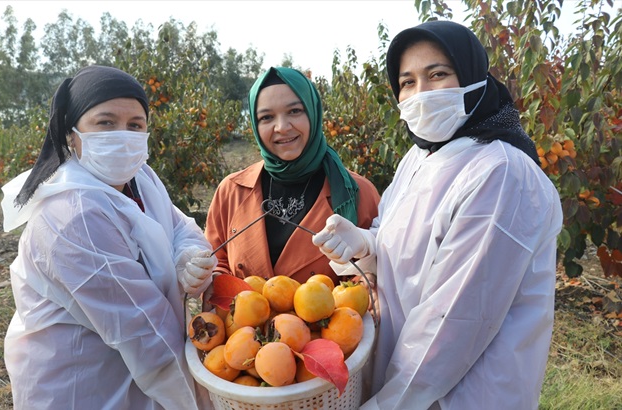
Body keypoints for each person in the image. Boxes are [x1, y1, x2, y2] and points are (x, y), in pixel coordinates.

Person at [312, 21, 563, 409]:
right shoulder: (421, 158)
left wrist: (386, 404)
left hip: (465, 391)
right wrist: (367, 245)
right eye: (407, 82)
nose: (421, 93)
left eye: (438, 74)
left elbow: (453, 322)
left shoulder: (500, 173)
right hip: (409, 382)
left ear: (473, 77)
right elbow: (413, 250)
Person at [0, 65, 216, 409]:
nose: (122, 136)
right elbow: (145, 333)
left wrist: (186, 252)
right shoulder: (73, 216)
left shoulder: (140, 177)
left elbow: (177, 224)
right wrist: (204, 401)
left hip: (136, 365)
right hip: (80, 382)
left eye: (135, 125)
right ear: (72, 134)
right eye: (105, 123)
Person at [204, 67, 380, 286]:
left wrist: (366, 283)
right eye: (267, 117)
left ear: (313, 113)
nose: (282, 127)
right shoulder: (232, 190)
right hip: (243, 319)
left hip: (330, 320)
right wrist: (214, 283)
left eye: (295, 111)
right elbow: (216, 261)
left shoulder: (356, 192)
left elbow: (373, 265)